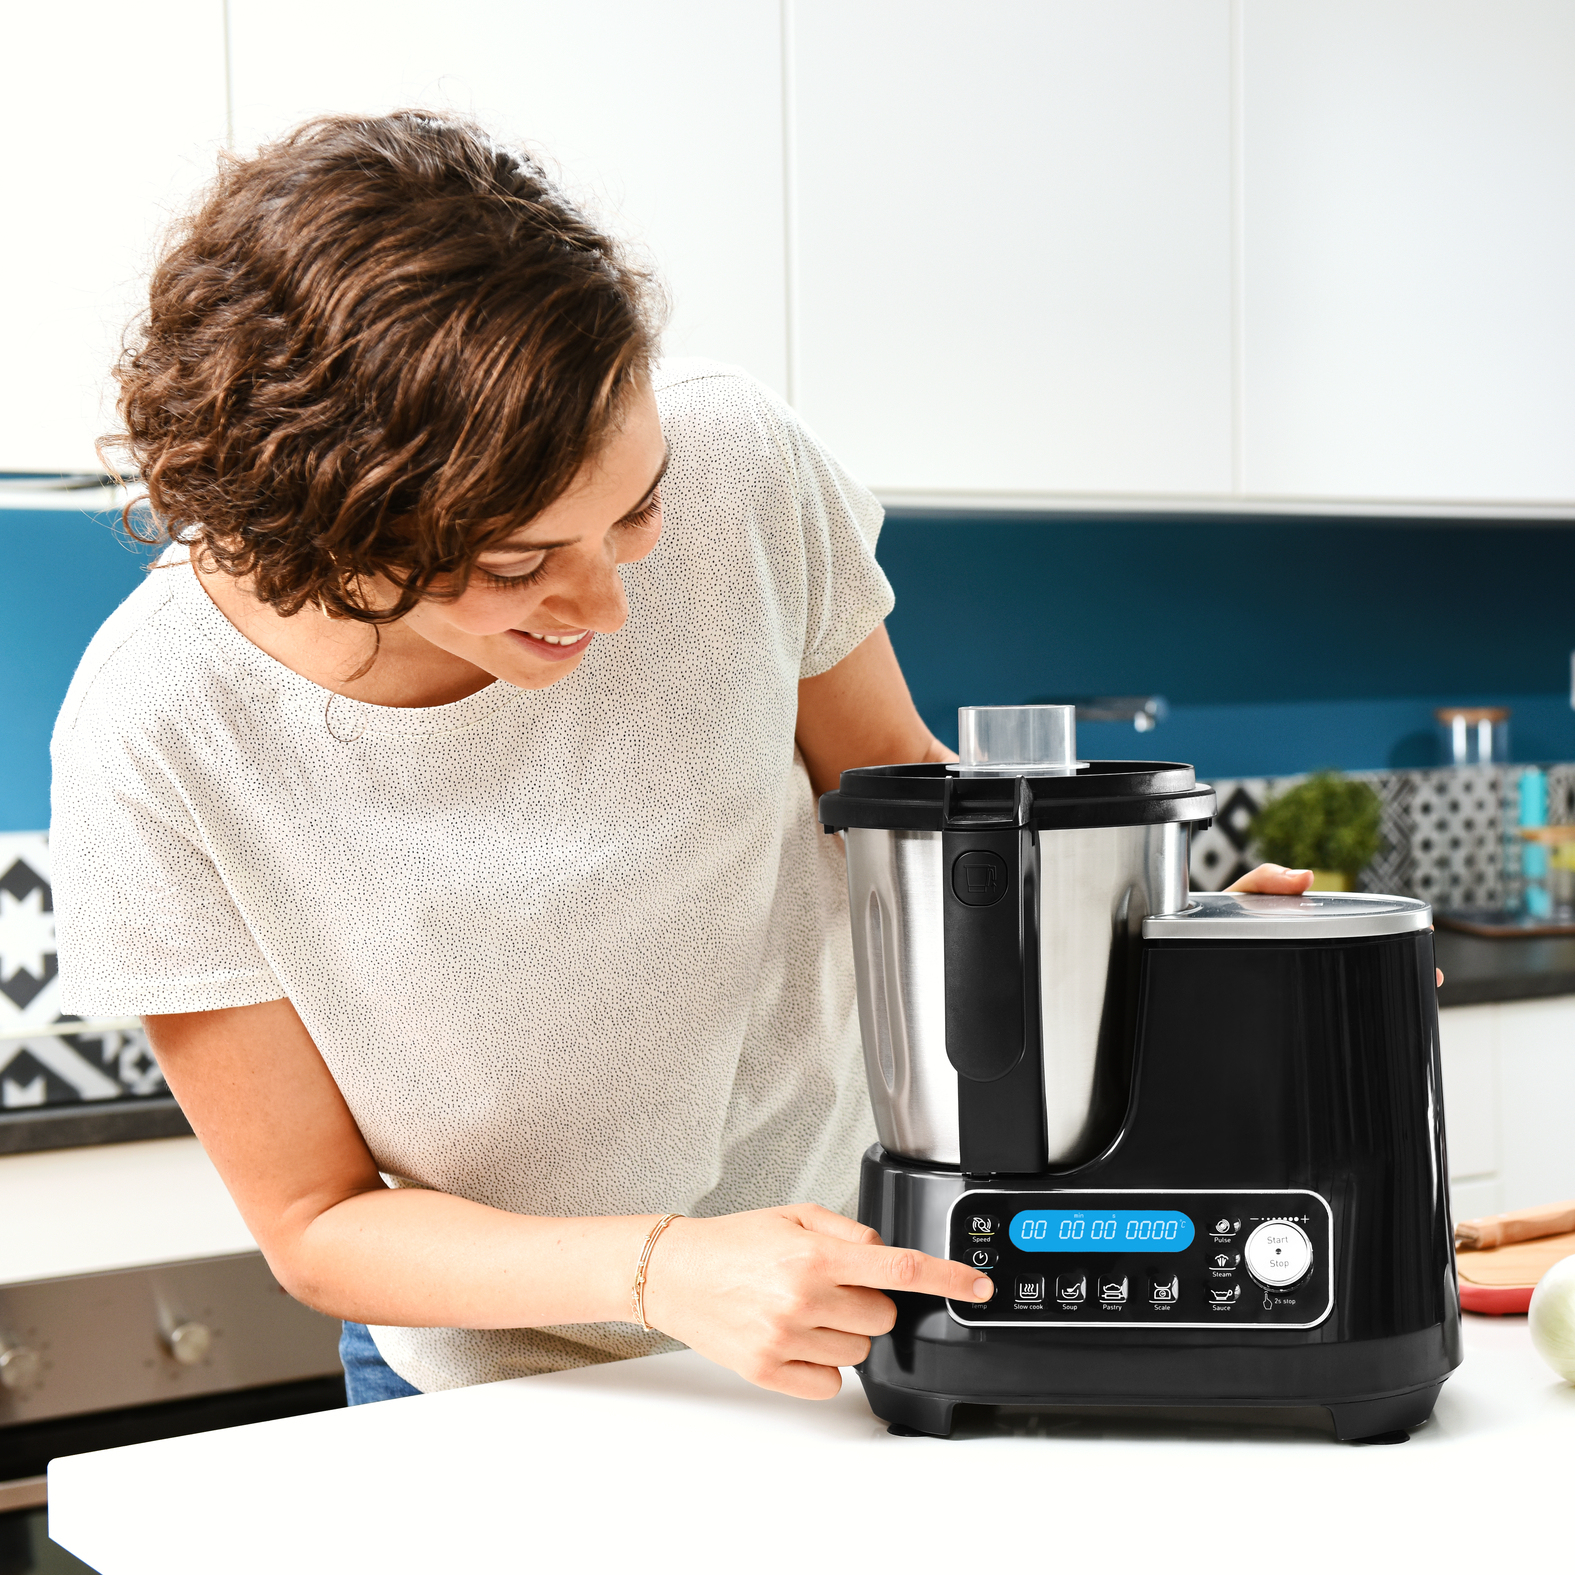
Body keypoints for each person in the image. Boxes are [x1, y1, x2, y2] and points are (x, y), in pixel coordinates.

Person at [50, 112, 1309, 1406]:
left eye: (637, 506)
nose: (607, 605)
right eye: (519, 563)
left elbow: (913, 820)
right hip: (504, 1385)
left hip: (856, 1285)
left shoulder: (738, 460)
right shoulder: (158, 729)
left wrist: (1161, 954)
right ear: (332, 536)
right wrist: (666, 1271)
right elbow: (317, 1222)